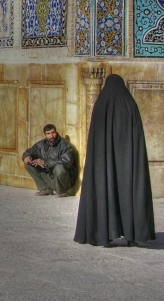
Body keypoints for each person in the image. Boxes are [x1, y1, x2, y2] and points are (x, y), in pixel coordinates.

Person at [74, 74, 156, 246]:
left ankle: (103, 235)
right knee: (130, 194)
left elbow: (95, 138)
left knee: (104, 189)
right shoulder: (130, 104)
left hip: (103, 163)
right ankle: (133, 235)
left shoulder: (101, 104)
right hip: (129, 163)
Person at [22, 124, 76, 197]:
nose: (51, 135)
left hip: (65, 181)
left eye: (53, 132)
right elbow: (30, 151)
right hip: (51, 177)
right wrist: (26, 156)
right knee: (28, 164)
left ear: (56, 132)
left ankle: (62, 191)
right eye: (48, 133)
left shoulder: (64, 144)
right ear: (45, 134)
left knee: (59, 168)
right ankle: (45, 189)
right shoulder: (41, 145)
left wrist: (45, 163)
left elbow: (67, 162)